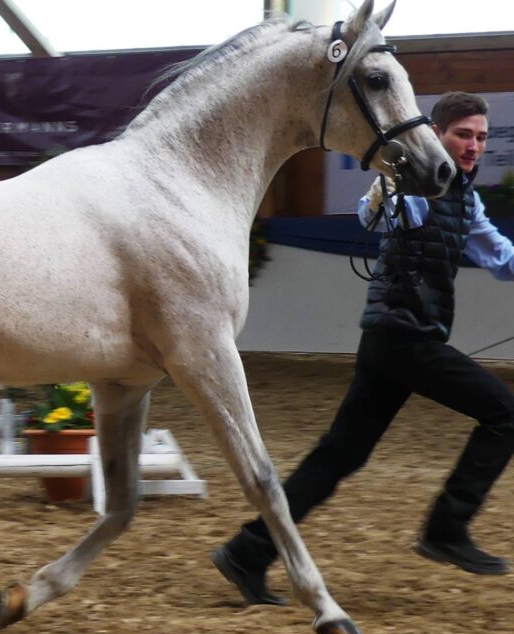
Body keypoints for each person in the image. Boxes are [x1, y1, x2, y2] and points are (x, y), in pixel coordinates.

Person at [213, 91, 514, 606]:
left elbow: (503, 258)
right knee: (507, 412)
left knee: (338, 456)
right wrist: (384, 190)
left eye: (481, 137)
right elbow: (374, 214)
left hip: (396, 343)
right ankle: (446, 526)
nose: (473, 146)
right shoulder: (411, 187)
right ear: (438, 134)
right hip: (403, 340)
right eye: (463, 134)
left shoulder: (467, 199)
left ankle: (249, 549)